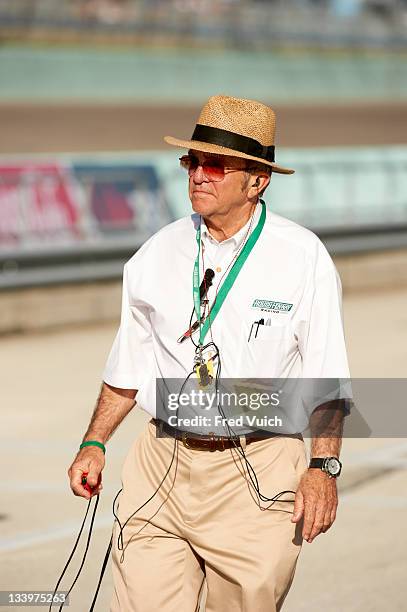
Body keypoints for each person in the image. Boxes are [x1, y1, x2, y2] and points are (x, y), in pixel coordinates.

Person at [68, 95, 351, 611]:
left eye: (215, 164)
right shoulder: (155, 254)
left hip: (259, 470)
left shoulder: (303, 258)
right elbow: (127, 368)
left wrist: (322, 468)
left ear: (257, 181)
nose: (199, 174)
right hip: (161, 464)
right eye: (191, 161)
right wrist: (95, 443)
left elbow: (326, 378)